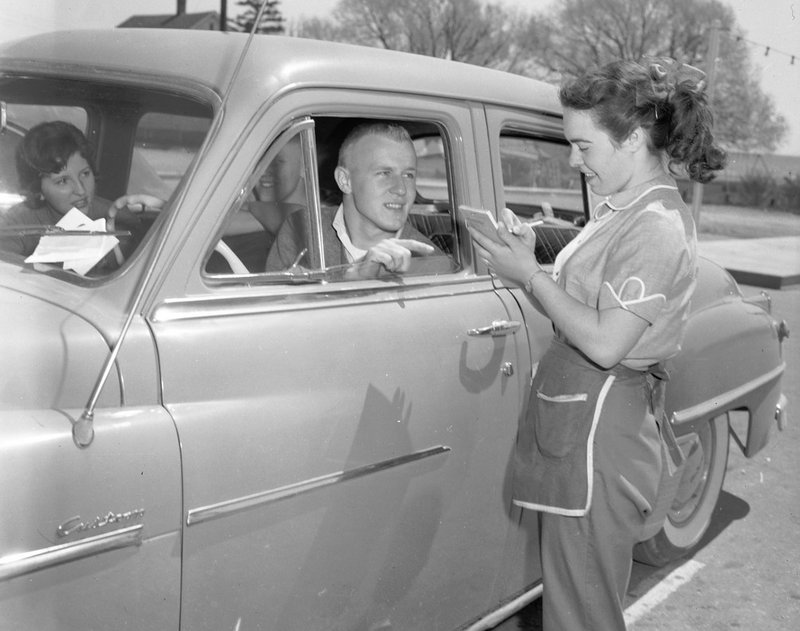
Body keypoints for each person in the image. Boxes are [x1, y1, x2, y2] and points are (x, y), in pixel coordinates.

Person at [468, 58, 725, 630]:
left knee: (581, 611)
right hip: (587, 421)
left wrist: (527, 274)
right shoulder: (626, 209)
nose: (573, 159)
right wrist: (533, 251)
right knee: (574, 600)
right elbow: (588, 303)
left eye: (583, 145)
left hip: (602, 431)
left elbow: (608, 341)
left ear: (632, 138)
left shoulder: (654, 223)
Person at [266, 122, 437, 274]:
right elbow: (276, 305)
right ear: (345, 180)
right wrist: (353, 277)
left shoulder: (431, 263)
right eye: (384, 173)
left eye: (408, 175)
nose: (401, 189)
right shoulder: (302, 229)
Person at [0, 120, 159, 263]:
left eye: (85, 174)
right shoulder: (17, 223)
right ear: (37, 188)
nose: (81, 190)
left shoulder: (117, 218)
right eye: (63, 181)